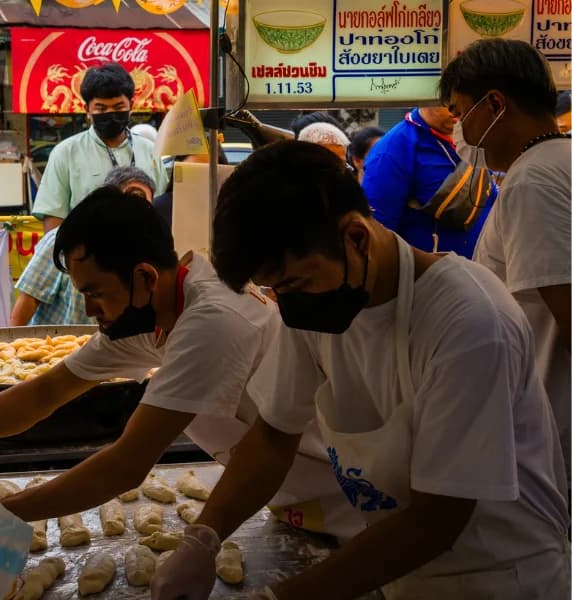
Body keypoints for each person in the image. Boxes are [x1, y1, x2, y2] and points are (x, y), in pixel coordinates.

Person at [150, 141, 569, 600]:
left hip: (502, 578)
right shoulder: (313, 307)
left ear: (356, 237)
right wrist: (204, 535)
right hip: (399, 571)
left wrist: (279, 598)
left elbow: (438, 518)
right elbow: (273, 436)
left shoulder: (469, 322)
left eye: (294, 282)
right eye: (274, 289)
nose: (287, 302)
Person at [0, 185, 362, 552]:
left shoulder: (212, 321)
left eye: (95, 293)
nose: (90, 311)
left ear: (144, 276)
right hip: (285, 497)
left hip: (344, 501)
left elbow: (126, 465)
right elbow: (44, 393)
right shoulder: (152, 308)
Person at [439, 38, 571, 482]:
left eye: (460, 113)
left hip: (554, 434)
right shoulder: (559, 162)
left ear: (495, 104)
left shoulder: (533, 180)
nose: (460, 131)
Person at [10, 166, 156, 326]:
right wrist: (13, 340)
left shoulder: (142, 254)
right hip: (54, 340)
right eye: (130, 201)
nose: (135, 213)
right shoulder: (64, 240)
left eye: (143, 205)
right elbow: (28, 300)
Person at [31, 62, 167, 234]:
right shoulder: (65, 153)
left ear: (131, 106)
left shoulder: (151, 150)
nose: (110, 113)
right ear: (87, 110)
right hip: (86, 249)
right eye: (101, 108)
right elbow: (53, 221)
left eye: (118, 107)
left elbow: (162, 211)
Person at [361, 106, 497, 258]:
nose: (455, 108)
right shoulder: (392, 150)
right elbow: (378, 231)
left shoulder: (473, 138)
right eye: (446, 102)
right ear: (425, 101)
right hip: (430, 269)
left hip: (482, 265)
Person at [152, 140, 229, 228]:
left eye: (208, 172)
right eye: (194, 171)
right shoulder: (159, 209)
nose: (201, 179)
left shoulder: (229, 210)